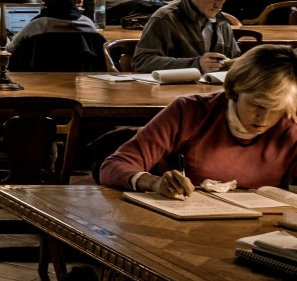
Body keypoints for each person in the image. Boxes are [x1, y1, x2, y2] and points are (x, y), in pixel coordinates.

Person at [100, 44, 297, 195]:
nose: (265, 119)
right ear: (235, 89)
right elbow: (114, 166)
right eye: (257, 105)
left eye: (277, 109)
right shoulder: (189, 111)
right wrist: (153, 182)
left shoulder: (291, 125)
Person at [133, 0, 239, 73]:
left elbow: (235, 57)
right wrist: (196, 64)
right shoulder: (165, 18)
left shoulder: (222, 22)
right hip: (176, 88)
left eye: (224, 0)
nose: (219, 6)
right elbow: (141, 62)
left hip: (214, 88)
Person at [6, 0, 102, 53]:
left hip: (39, 76)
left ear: (46, 0)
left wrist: (5, 39)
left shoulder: (38, 25)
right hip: (79, 76)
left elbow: (10, 49)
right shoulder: (87, 24)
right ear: (74, 0)